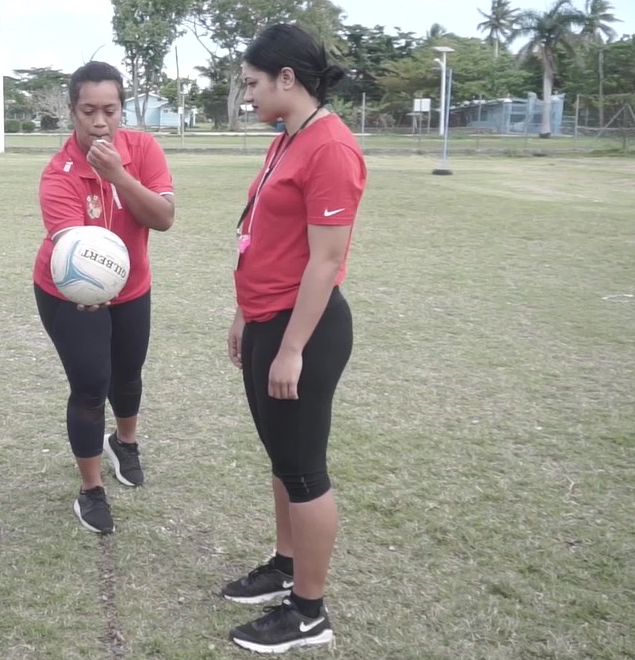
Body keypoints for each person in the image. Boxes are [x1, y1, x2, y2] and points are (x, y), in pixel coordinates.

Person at [216, 24, 367, 654]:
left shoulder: (329, 147)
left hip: (302, 328)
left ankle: (309, 612)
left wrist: (291, 347)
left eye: (252, 83)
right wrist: (245, 316)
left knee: (304, 471)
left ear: (287, 79)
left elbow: (325, 262)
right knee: (282, 461)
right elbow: (267, 239)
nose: (246, 96)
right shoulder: (289, 139)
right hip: (268, 318)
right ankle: (285, 565)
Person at [32, 61, 177, 534]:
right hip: (71, 292)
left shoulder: (143, 148)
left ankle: (126, 443)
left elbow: (163, 218)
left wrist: (119, 175)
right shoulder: (59, 174)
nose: (100, 122)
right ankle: (91, 490)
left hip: (132, 285)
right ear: (72, 111)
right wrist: (85, 284)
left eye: (110, 110)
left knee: (129, 373)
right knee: (92, 386)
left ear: (123, 109)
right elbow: (74, 245)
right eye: (88, 111)